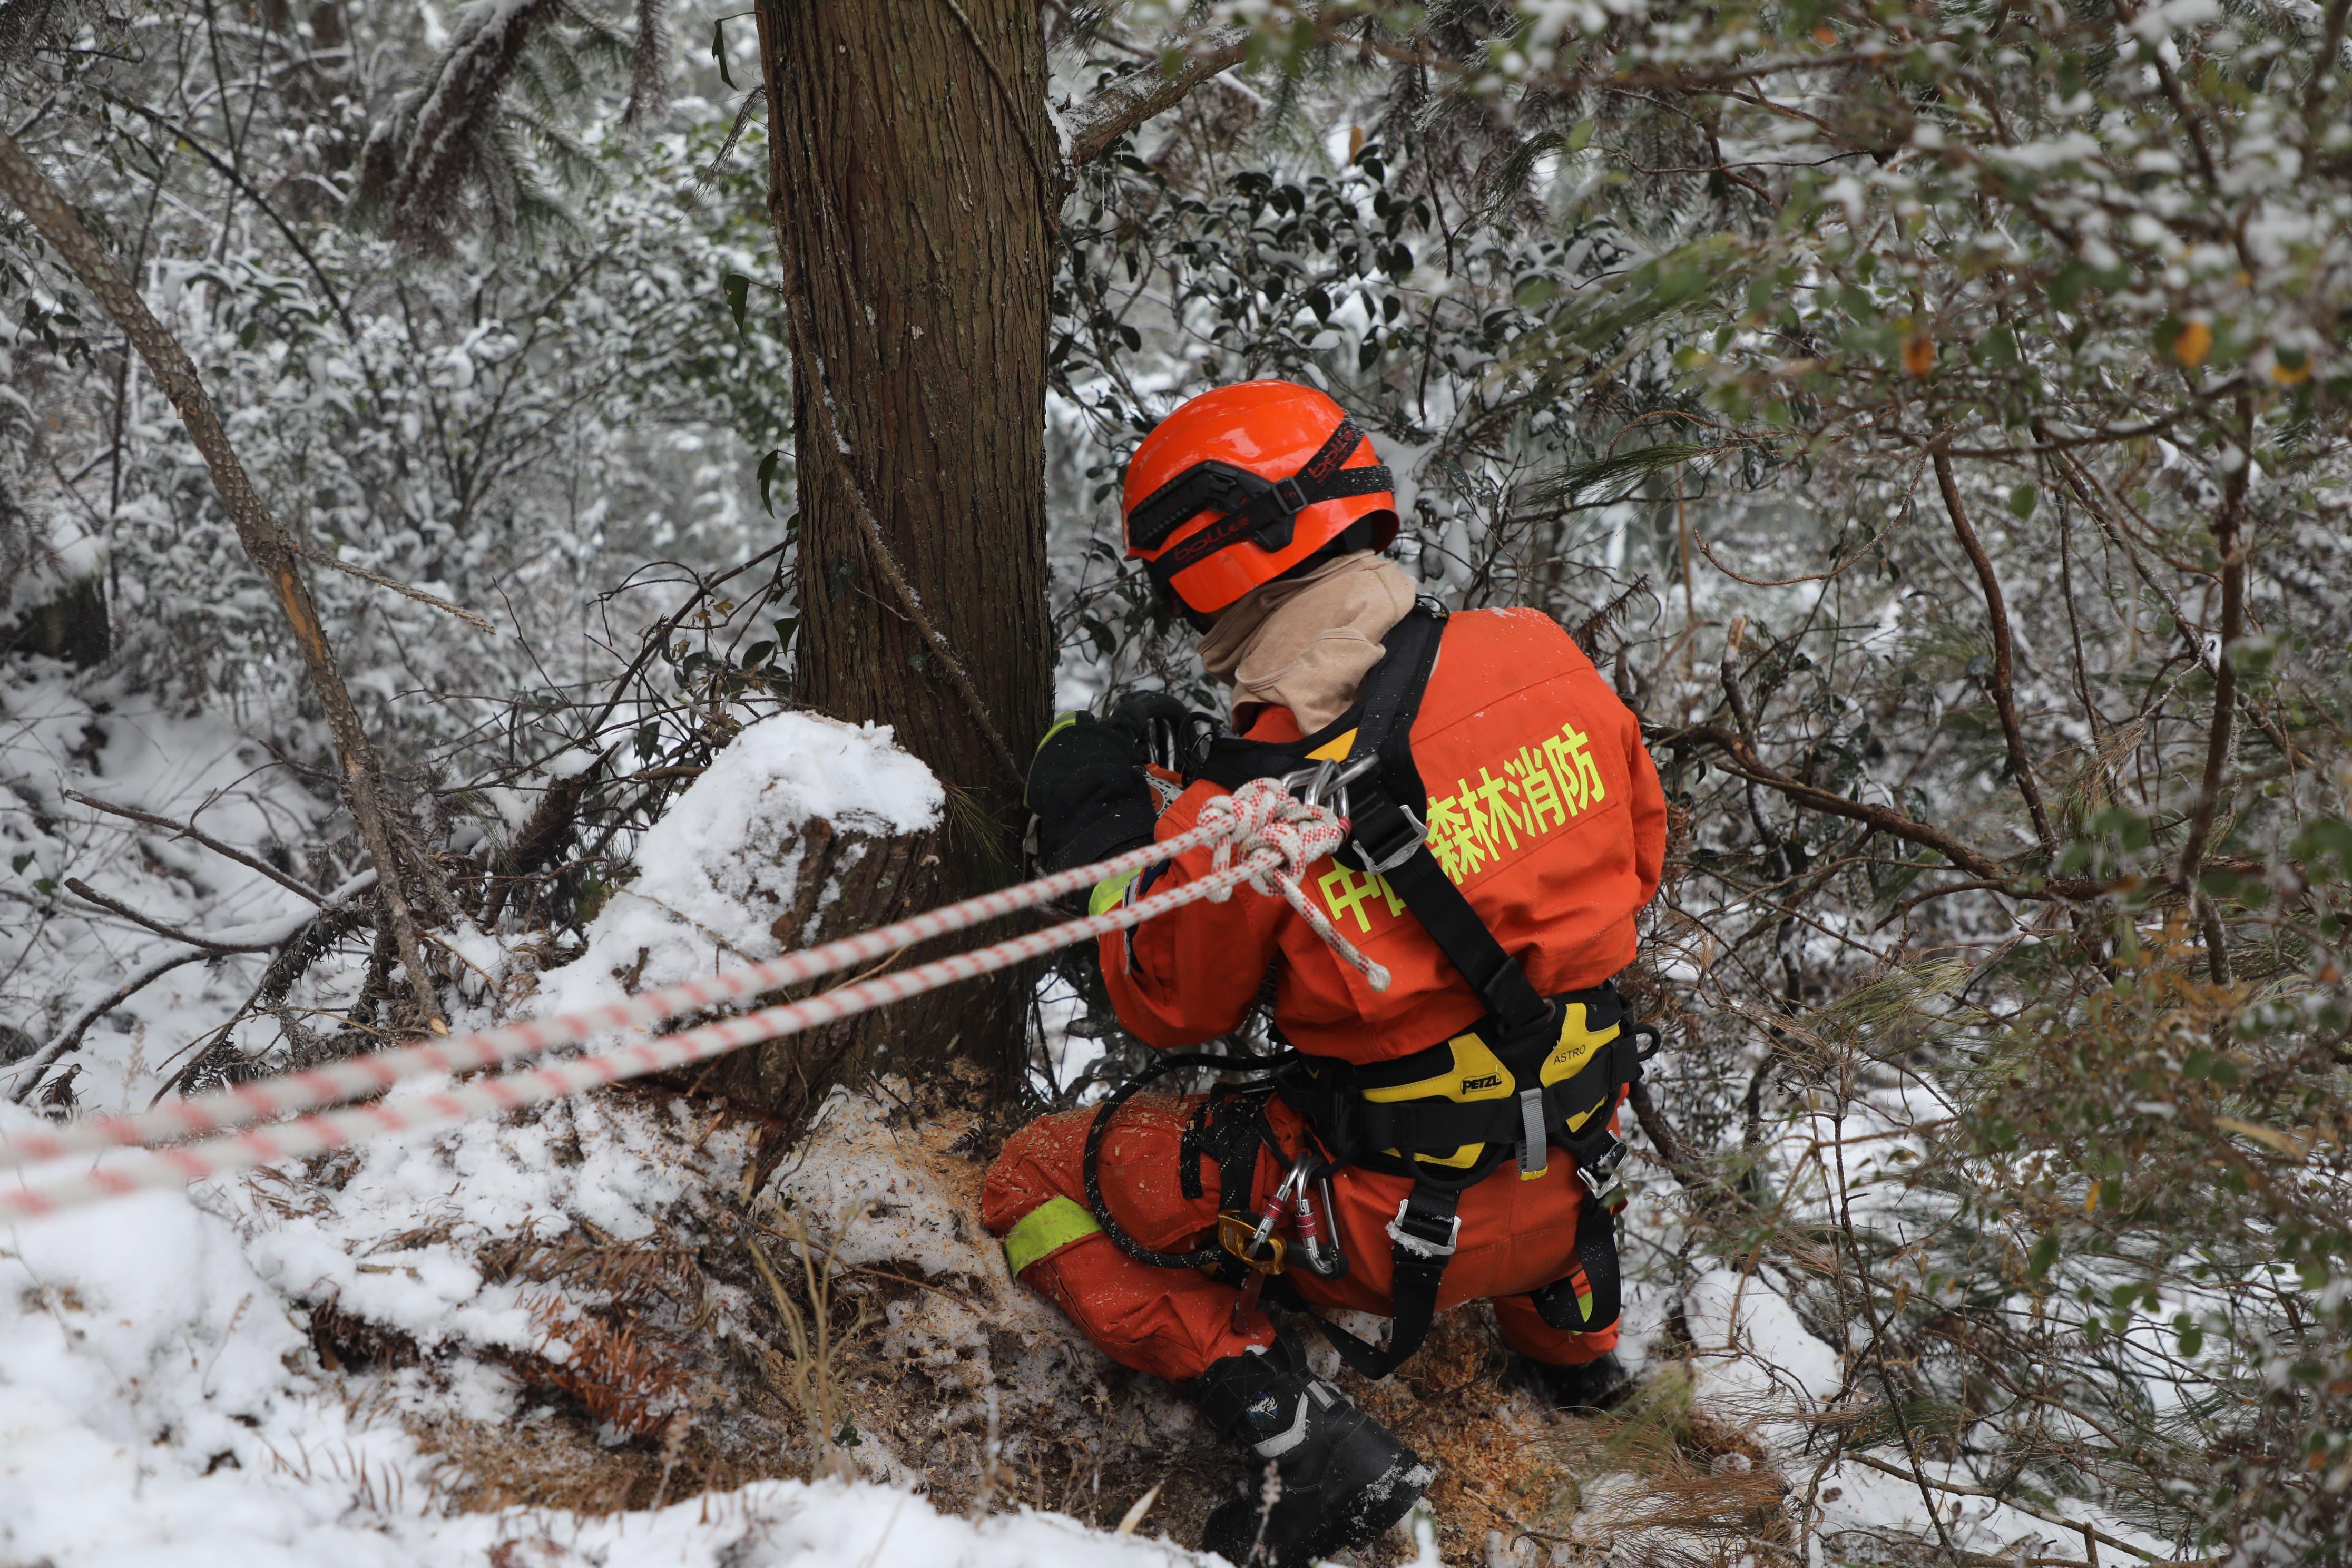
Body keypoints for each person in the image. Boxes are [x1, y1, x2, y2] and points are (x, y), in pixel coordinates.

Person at [984, 380, 1667, 1565]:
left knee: (1030, 1179)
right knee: (1526, 1056)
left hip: (1383, 1234)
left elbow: (1167, 1003)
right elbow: (1638, 859)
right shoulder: (1547, 659)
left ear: (1204, 567)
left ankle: (1292, 1431)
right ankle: (1578, 1357)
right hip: (1574, 1180)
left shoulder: (1253, 800)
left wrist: (1110, 836)